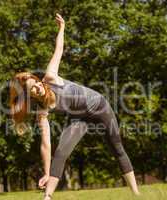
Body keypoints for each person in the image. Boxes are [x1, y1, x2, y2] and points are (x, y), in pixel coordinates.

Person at [9, 13, 140, 200]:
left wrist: (62, 27)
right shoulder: (42, 112)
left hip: (99, 106)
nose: (38, 87)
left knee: (116, 148)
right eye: (33, 89)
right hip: (79, 117)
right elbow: (45, 144)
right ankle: (47, 197)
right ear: (29, 95)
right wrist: (46, 172)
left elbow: (59, 49)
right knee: (61, 151)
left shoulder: (50, 77)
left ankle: (136, 194)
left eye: (36, 83)